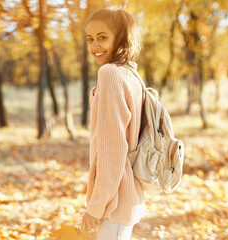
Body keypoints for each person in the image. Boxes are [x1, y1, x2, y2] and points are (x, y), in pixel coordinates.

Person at [81, 8, 145, 240]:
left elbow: (113, 149)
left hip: (114, 200)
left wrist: (95, 207)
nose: (94, 46)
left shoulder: (109, 74)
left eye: (102, 37)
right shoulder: (131, 74)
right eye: (90, 39)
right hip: (126, 193)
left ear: (120, 38)